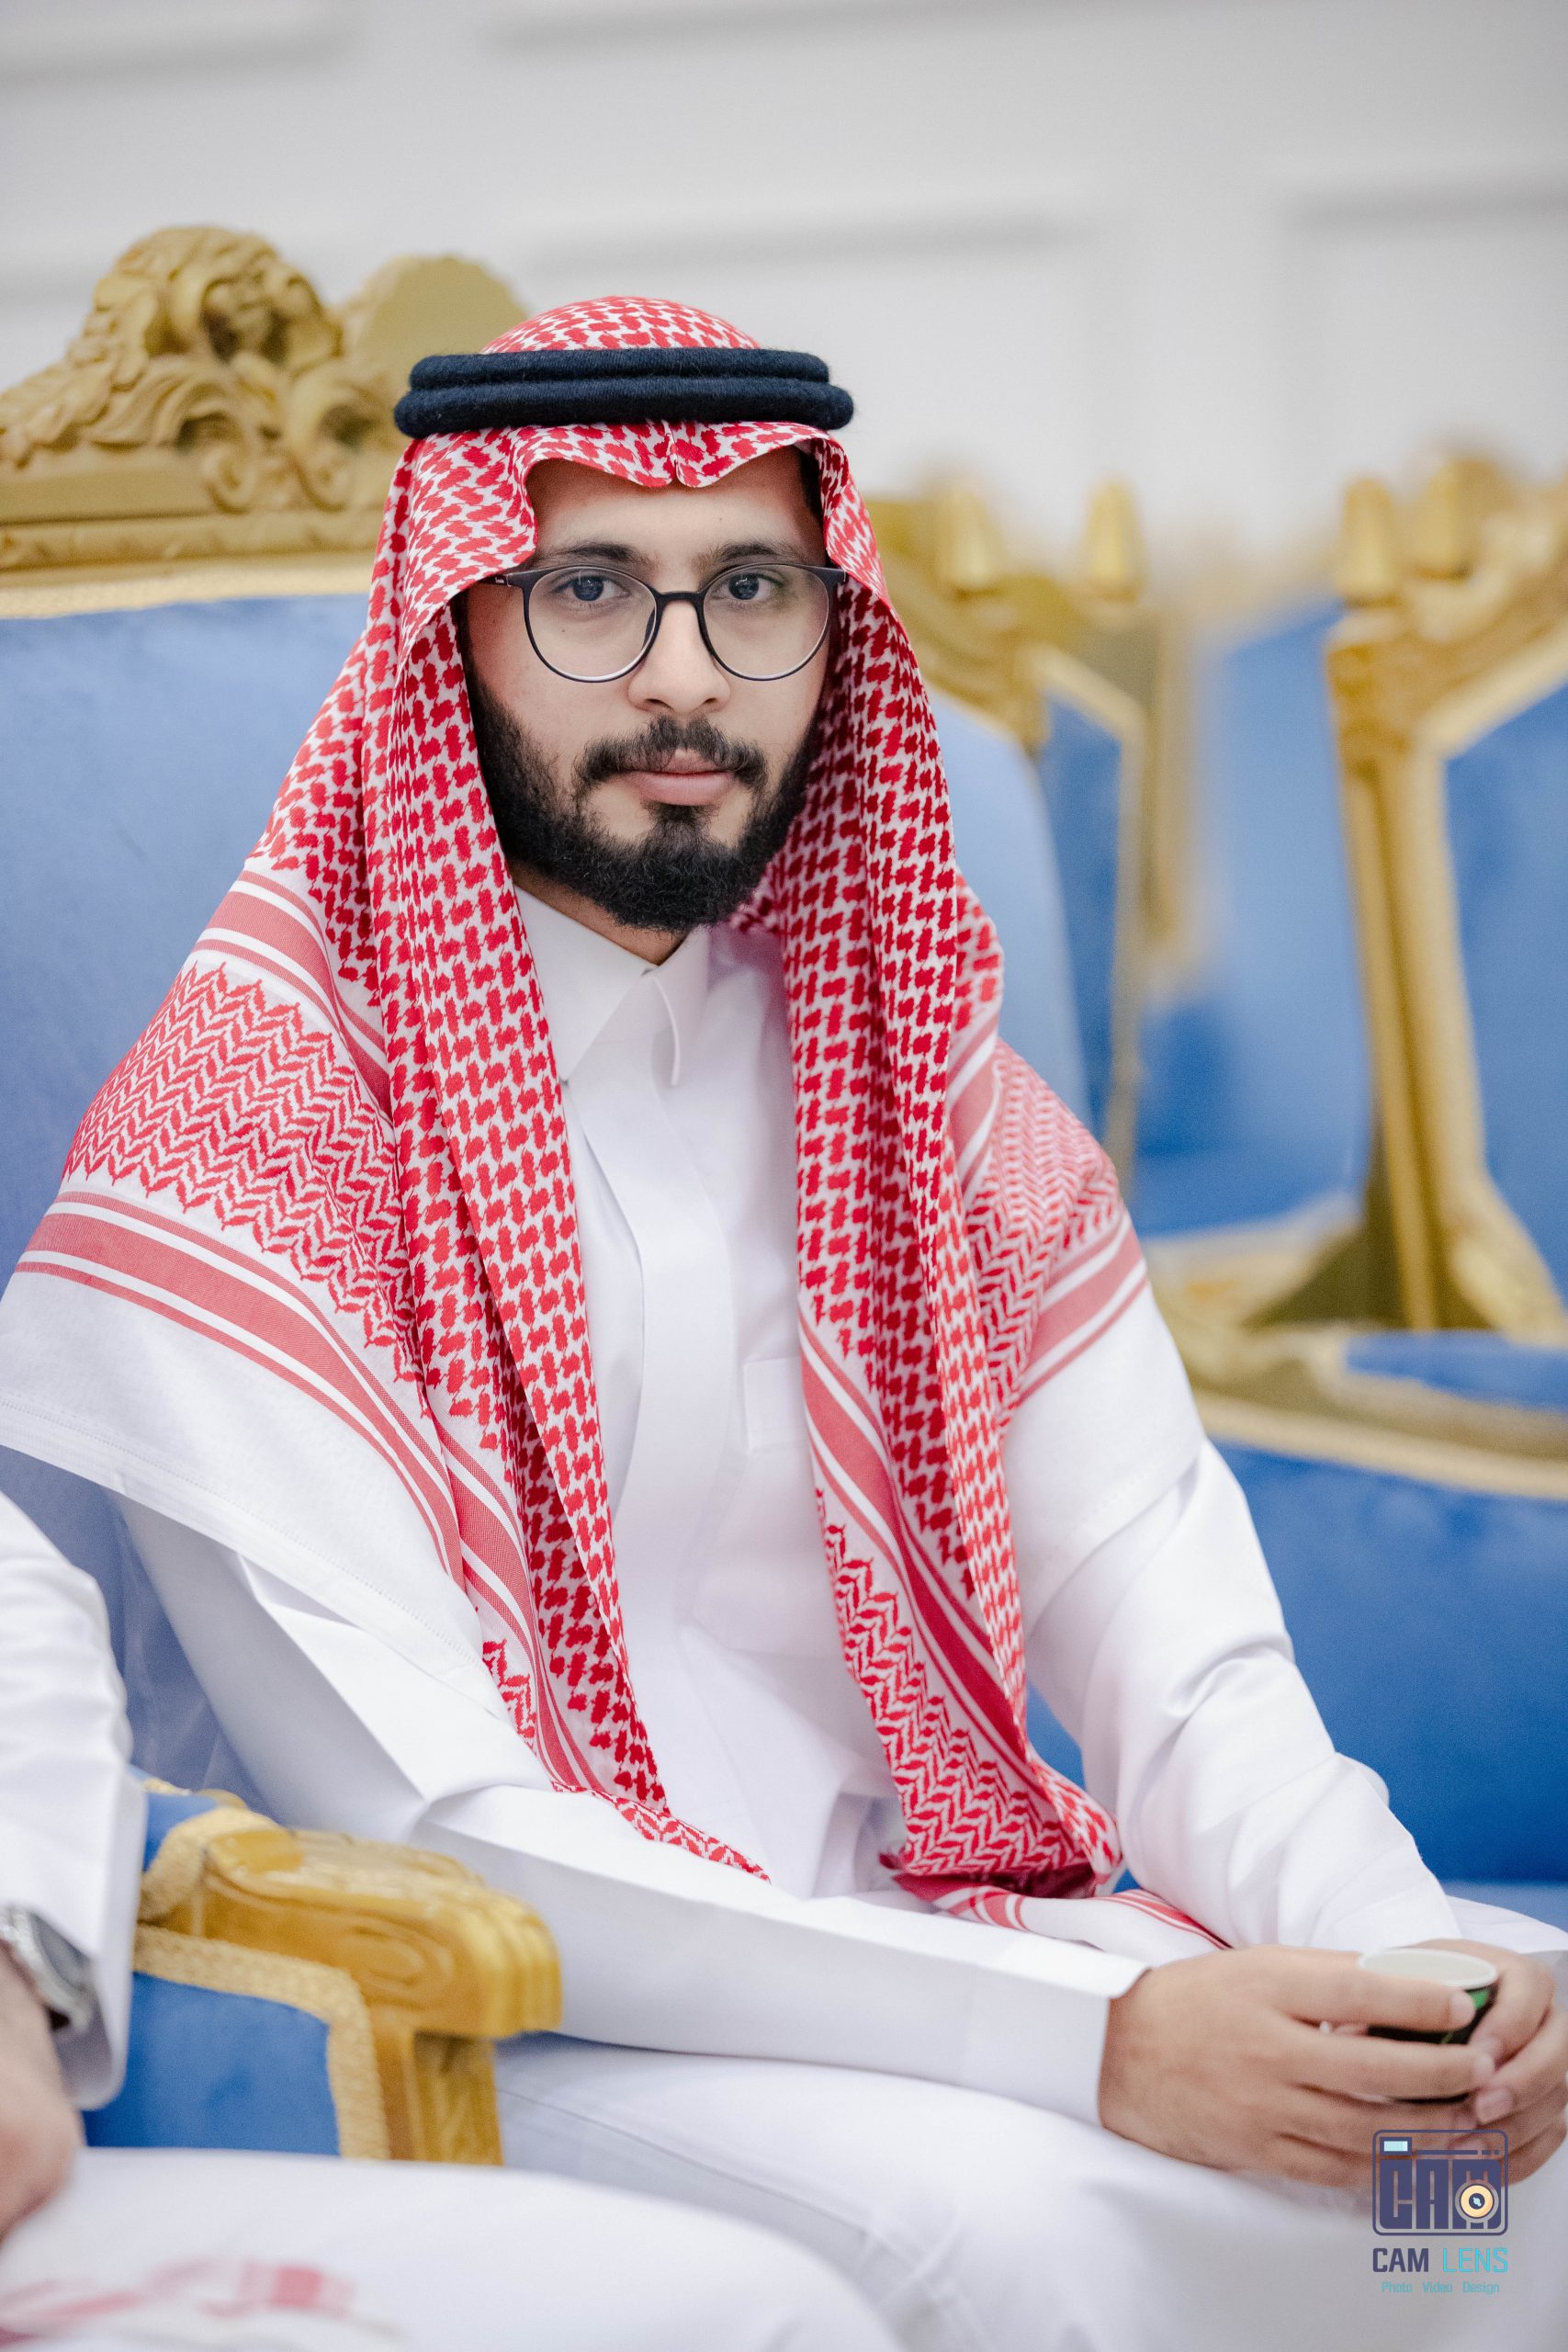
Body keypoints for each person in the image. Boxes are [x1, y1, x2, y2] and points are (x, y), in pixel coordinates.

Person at [0, 298, 1563, 2348]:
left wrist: (1408, 1969)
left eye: (750, 589)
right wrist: (1097, 2046)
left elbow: (1181, 1666)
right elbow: (435, 1828)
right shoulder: (257, 1134)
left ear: (834, 636)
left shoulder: (921, 1087)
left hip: (943, 1953)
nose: (682, 674)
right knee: (1044, 2246)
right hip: (511, 2016)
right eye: (588, 591)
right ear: (451, 634)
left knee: (1484, 2178)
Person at [0, 1493, 898, 2352]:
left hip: (862, 1899)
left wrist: (14, 1975)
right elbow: (425, 1805)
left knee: (762, 2315)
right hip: (636, 1957)